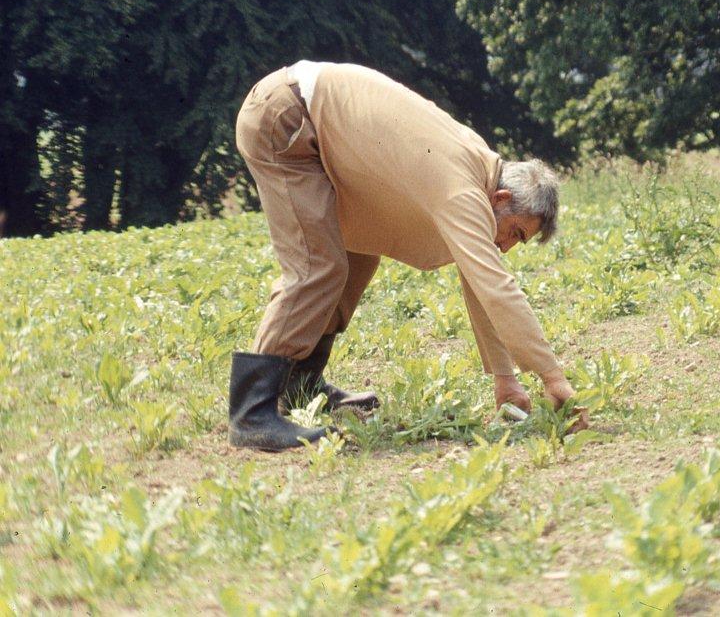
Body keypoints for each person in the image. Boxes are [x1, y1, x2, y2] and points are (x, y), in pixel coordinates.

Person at [229, 61, 587, 451]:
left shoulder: (480, 171)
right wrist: (553, 379)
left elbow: (480, 284)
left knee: (358, 257)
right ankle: (252, 412)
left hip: (312, 126)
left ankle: (301, 385)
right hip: (285, 120)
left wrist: (506, 379)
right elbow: (496, 288)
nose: (507, 246)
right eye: (516, 232)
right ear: (500, 200)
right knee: (318, 266)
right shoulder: (463, 189)